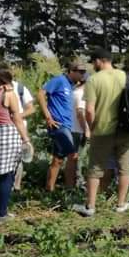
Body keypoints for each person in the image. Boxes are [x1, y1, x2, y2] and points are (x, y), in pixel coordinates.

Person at [72, 48, 129, 216]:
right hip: (125, 129)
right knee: (124, 167)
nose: (93, 65)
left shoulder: (94, 80)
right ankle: (121, 204)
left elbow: (89, 110)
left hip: (102, 129)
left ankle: (90, 206)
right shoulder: (128, 77)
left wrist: (91, 127)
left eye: (93, 62)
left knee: (95, 168)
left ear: (99, 61)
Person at [38, 60, 86, 192]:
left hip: (67, 126)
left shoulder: (71, 86)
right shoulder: (59, 80)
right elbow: (41, 93)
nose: (82, 74)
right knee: (73, 156)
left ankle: (49, 190)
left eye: (84, 72)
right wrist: (48, 117)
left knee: (58, 159)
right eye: (80, 72)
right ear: (71, 71)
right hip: (59, 125)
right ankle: (70, 189)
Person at [0, 70, 32, 221]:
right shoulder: (8, 94)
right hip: (7, 134)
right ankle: (2, 213)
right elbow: (17, 118)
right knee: (6, 175)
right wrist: (26, 140)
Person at [8, 75, 34, 192]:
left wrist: (16, 116)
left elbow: (31, 108)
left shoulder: (20, 88)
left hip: (18, 128)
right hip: (3, 128)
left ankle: (16, 187)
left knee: (17, 158)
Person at [66, 73, 90, 188]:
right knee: (76, 158)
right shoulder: (81, 94)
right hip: (78, 130)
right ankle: (76, 183)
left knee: (72, 158)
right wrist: (86, 129)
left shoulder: (73, 92)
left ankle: (71, 184)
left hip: (71, 128)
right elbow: (80, 113)